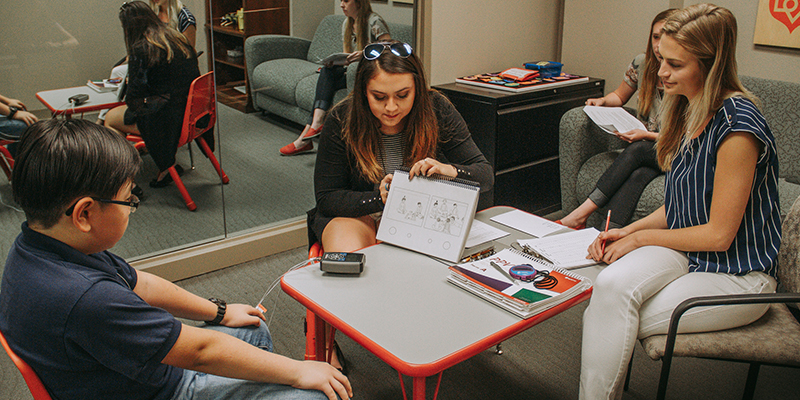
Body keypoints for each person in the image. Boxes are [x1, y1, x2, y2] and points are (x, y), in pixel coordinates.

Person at [0, 119, 352, 400]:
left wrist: (220, 311)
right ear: (84, 214)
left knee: (250, 327)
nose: (132, 208)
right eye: (129, 201)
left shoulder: (40, 244)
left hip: (130, 372)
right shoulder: (85, 298)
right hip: (156, 389)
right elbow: (199, 351)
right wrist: (298, 370)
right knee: (315, 394)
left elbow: (141, 283)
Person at [579, 5, 781, 399]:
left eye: (674, 64)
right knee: (610, 288)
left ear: (710, 64)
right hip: (692, 252)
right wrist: (629, 229)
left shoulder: (738, 126)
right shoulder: (690, 109)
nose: (661, 74)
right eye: (660, 60)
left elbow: (720, 235)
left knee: (611, 316)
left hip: (739, 275)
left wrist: (638, 242)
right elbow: (681, 206)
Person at [309, 40, 493, 253]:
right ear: (363, 92)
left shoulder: (436, 109)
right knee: (351, 262)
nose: (391, 107)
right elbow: (327, 198)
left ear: (417, 89)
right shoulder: (342, 119)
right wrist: (381, 198)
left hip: (421, 216)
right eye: (379, 97)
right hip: (360, 212)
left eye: (403, 95)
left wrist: (450, 171)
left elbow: (485, 175)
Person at [558, 9, 676, 230]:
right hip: (651, 154)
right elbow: (620, 95)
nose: (659, 45)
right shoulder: (642, 64)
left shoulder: (685, 75)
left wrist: (647, 135)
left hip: (675, 150)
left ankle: (581, 213)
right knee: (639, 175)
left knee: (640, 149)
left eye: (667, 37)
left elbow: (693, 136)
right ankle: (606, 234)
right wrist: (603, 101)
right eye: (656, 36)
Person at [104, 1, 200, 190]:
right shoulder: (175, 38)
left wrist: (131, 84)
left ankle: (125, 181)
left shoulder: (141, 48)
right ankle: (165, 167)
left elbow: (133, 100)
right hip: (192, 115)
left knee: (110, 118)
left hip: (168, 120)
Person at [279, 0, 391, 156]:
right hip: (352, 72)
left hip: (369, 74)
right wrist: (336, 61)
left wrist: (365, 53)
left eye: (346, 0)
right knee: (327, 71)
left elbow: (389, 47)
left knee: (326, 79)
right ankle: (314, 126)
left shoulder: (373, 21)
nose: (341, 5)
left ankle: (304, 139)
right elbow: (347, 57)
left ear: (359, 2)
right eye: (340, 1)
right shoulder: (347, 23)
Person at [97, 0, 197, 124]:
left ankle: (103, 124)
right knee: (117, 71)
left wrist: (134, 82)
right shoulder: (173, 36)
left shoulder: (185, 19)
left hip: (168, 115)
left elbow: (134, 99)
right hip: (187, 106)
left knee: (112, 118)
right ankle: (101, 121)